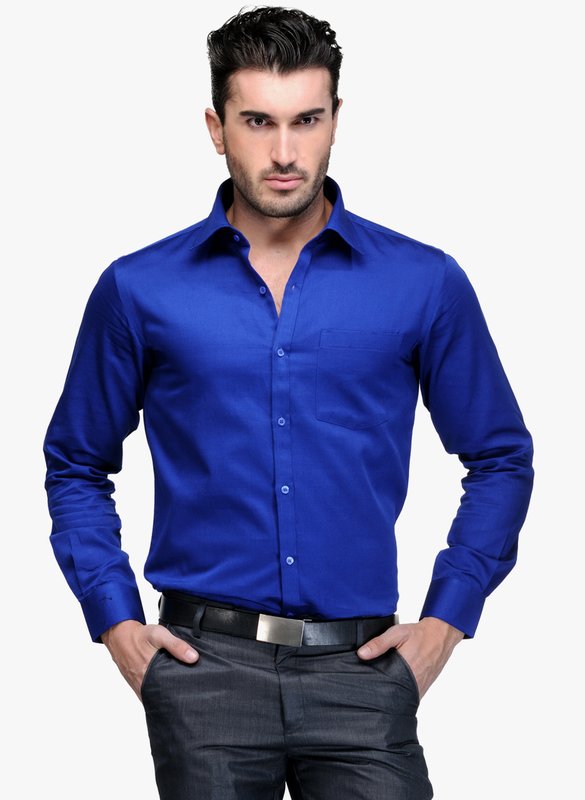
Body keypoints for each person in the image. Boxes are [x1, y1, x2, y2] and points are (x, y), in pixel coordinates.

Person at [44, 6, 534, 799]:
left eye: (306, 120)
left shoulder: (423, 281)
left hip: (363, 670)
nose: (283, 153)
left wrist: (446, 621)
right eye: (257, 122)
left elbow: (501, 457)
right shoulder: (139, 288)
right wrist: (117, 622)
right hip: (203, 670)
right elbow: (75, 462)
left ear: (335, 119)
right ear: (216, 127)